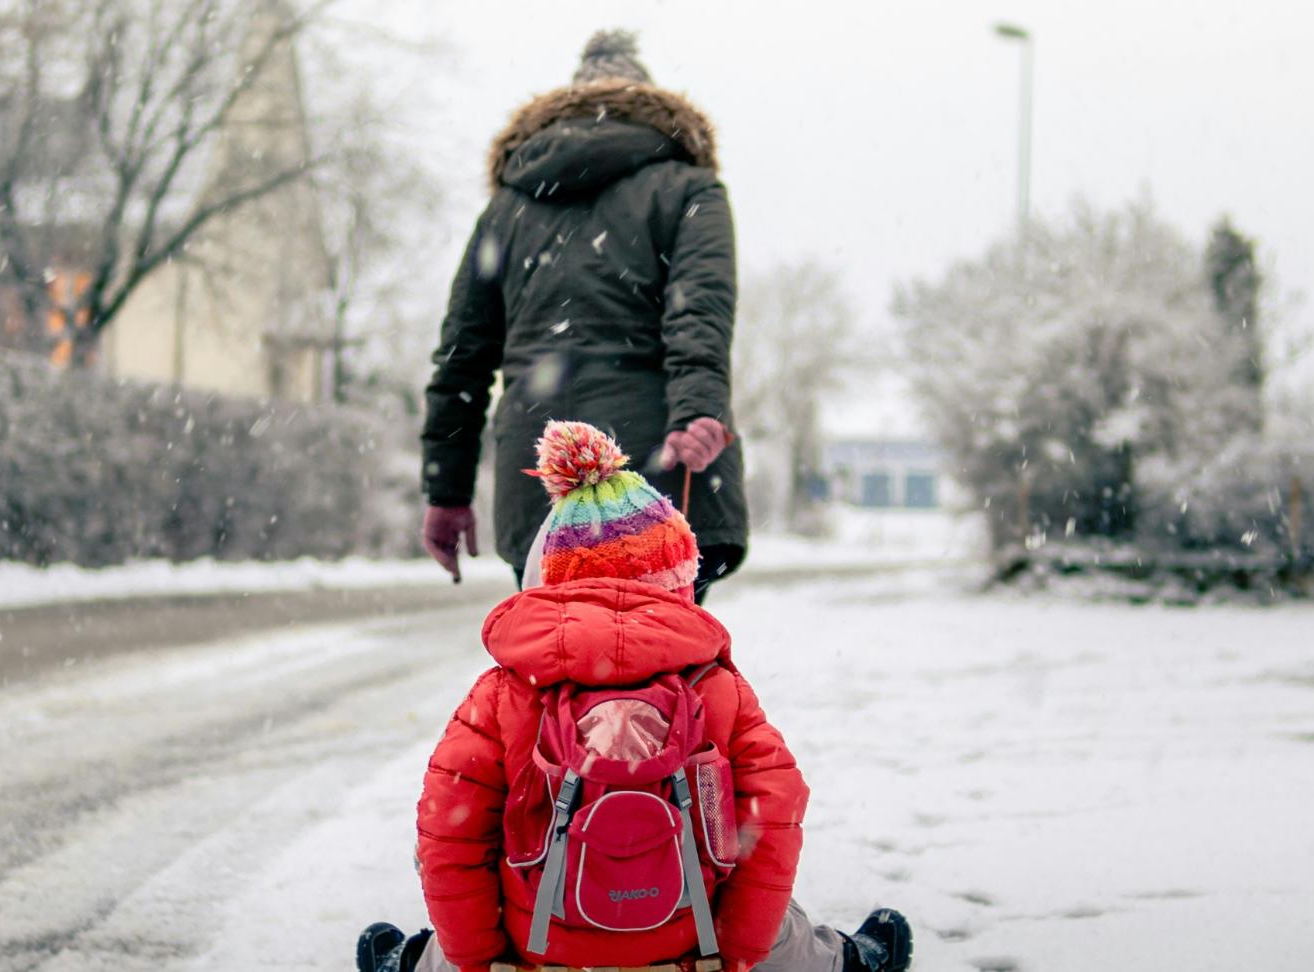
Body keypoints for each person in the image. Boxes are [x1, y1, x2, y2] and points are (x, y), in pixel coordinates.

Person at [358, 422, 910, 972]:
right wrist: (739, 954)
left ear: (548, 579)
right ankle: (849, 962)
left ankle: (417, 961)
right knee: (779, 918)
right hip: (691, 948)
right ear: (678, 583)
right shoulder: (717, 690)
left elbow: (447, 834)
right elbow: (774, 815)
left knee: (462, 868)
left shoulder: (503, 693)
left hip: (538, 949)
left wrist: (477, 961)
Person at [420, 29, 748, 603]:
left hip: (541, 472)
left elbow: (462, 358)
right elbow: (700, 313)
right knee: (663, 667)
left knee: (553, 664)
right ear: (650, 105)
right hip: (655, 470)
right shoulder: (689, 189)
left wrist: (446, 491)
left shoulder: (508, 208)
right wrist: (698, 410)